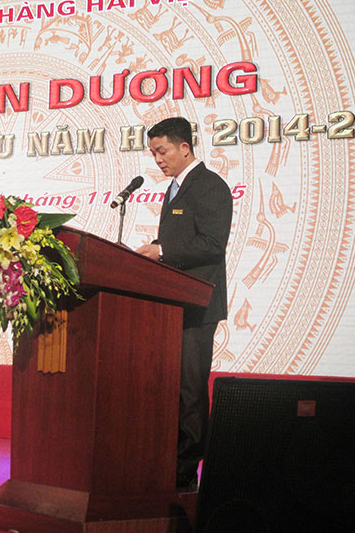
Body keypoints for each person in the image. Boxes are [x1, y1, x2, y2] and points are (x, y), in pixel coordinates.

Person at [136, 117, 233, 491]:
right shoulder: (174, 189)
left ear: (184, 148)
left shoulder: (210, 186)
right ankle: (167, 461)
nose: (158, 159)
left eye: (162, 151)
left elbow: (212, 244)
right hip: (171, 303)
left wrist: (162, 251)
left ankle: (186, 472)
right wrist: (156, 251)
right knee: (169, 387)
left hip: (198, 305)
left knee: (190, 389)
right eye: (153, 153)